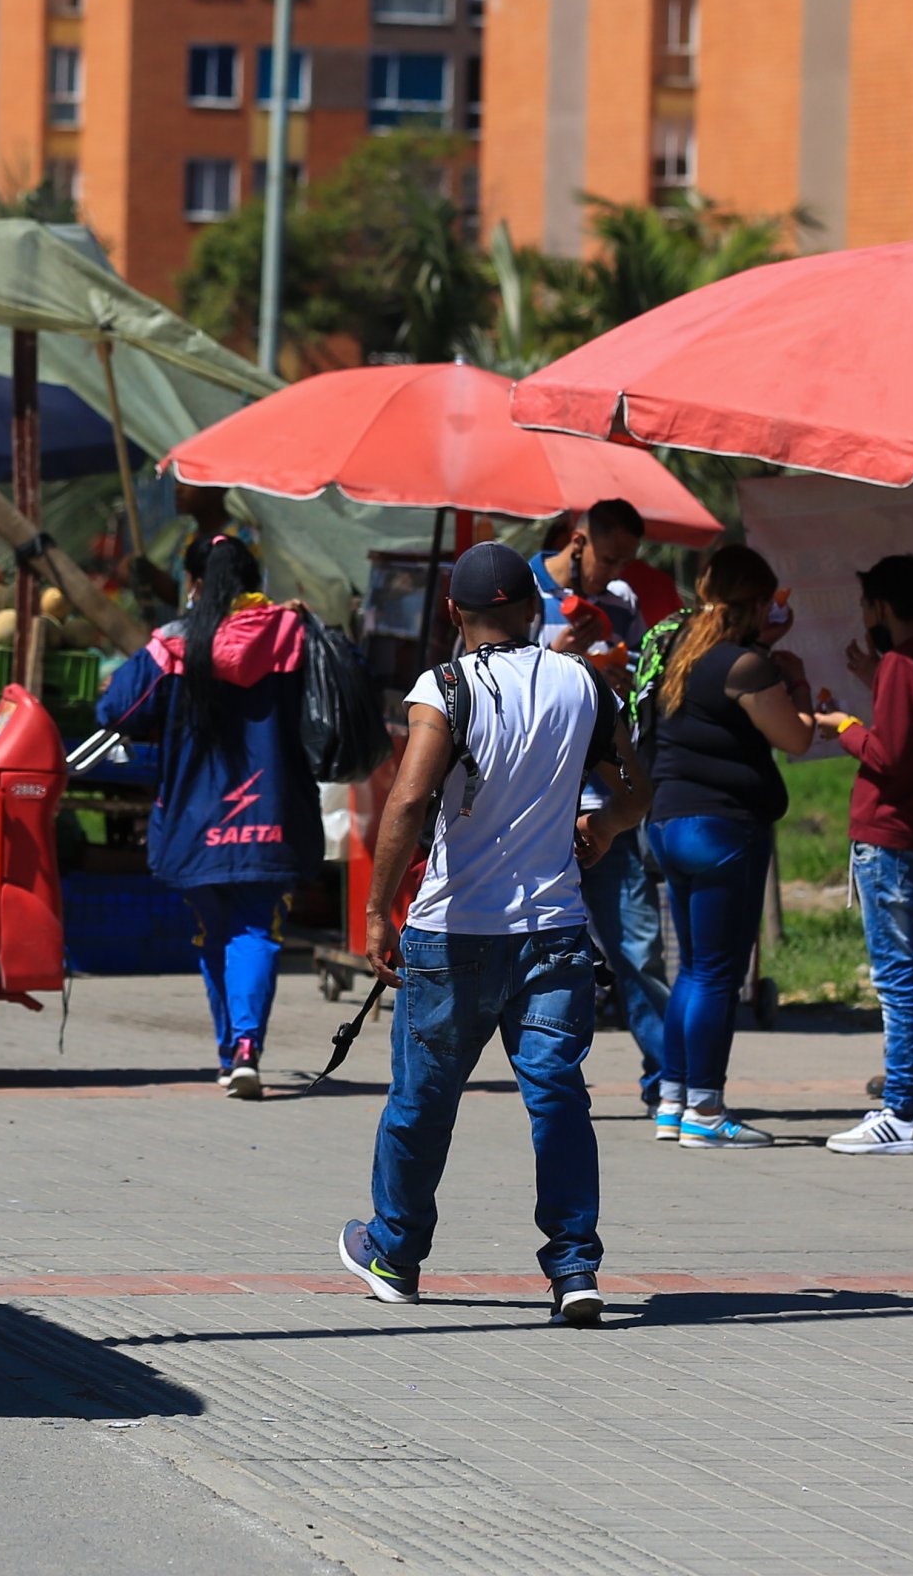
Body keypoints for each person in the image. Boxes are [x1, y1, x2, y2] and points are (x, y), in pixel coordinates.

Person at [337, 542, 649, 1325]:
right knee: (558, 1099)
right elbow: (640, 785)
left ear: (453, 613)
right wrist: (603, 825)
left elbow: (408, 803)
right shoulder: (584, 683)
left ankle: (395, 1253)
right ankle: (575, 1268)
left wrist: (378, 911)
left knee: (422, 1099)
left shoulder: (444, 687)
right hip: (556, 934)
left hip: (454, 935)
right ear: (533, 608)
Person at [94, 535, 321, 1099]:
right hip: (273, 815)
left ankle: (232, 1052)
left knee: (213, 932)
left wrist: (161, 644)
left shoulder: (173, 646)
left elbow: (114, 710)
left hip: (195, 823)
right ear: (254, 581)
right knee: (255, 931)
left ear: (195, 583)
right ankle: (245, 1048)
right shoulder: (294, 635)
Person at [643, 544, 816, 1149]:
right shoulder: (745, 666)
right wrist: (793, 677)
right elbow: (795, 737)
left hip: (667, 822)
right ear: (754, 602)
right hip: (721, 829)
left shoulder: (678, 653)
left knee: (691, 969)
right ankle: (707, 1113)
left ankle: (673, 1101)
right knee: (718, 975)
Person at [533, 500, 670, 1111]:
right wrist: (560, 656)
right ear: (580, 541)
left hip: (608, 798)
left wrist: (621, 672)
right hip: (539, 804)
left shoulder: (621, 601)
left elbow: (642, 677)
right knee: (545, 954)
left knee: (638, 947)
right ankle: (548, 1077)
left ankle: (670, 1079)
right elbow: (490, 682)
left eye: (627, 561)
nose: (617, 571)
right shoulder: (518, 589)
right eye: (611, 557)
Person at [819, 554, 913, 1156]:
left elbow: (890, 753)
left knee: (897, 979)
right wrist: (876, 677)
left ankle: (901, 1109)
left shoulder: (903, 662)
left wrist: (842, 724)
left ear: (881, 606)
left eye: (867, 602)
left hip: (889, 838)